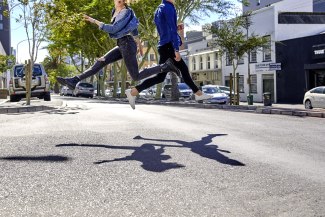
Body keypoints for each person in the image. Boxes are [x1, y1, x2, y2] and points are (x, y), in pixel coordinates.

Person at [57, 0, 180, 90]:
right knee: (99, 63)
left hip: (127, 44)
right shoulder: (114, 11)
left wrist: (94, 21)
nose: (119, 0)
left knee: (136, 76)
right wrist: (139, 43)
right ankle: (74, 80)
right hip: (122, 44)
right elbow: (134, 27)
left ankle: (165, 66)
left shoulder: (126, 12)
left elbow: (114, 29)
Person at [125, 0, 212, 109]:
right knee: (183, 70)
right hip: (169, 47)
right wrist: (176, 49)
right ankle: (198, 93)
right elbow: (171, 30)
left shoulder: (159, 9)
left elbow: (164, 29)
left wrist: (176, 30)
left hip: (163, 46)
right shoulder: (169, 7)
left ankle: (133, 91)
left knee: (160, 78)